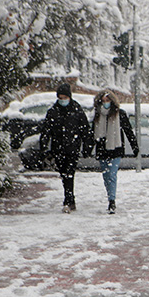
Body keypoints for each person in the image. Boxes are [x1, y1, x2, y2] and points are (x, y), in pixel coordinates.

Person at [39, 83, 93, 213]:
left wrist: (87, 147)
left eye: (64, 97)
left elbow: (85, 130)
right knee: (64, 174)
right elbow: (46, 130)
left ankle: (67, 200)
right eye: (60, 97)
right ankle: (70, 198)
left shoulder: (76, 110)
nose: (62, 100)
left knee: (70, 173)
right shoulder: (53, 111)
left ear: (69, 97)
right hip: (58, 148)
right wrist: (43, 146)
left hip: (72, 148)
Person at [90, 90, 138, 214]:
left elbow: (128, 131)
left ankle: (112, 201)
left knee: (112, 175)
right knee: (106, 176)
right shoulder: (97, 115)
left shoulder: (119, 114)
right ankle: (109, 195)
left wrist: (134, 147)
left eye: (108, 100)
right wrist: (88, 148)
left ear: (112, 101)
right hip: (102, 149)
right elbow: (92, 133)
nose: (106, 103)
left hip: (115, 148)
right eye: (104, 101)